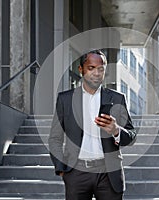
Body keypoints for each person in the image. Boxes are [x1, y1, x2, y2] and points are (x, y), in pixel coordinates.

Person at [48, 49, 137, 200]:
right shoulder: (65, 99)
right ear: (81, 69)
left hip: (108, 173)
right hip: (76, 173)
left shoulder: (117, 98)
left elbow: (131, 136)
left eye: (101, 69)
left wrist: (116, 131)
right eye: (91, 68)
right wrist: (62, 169)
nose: (96, 73)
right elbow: (54, 138)